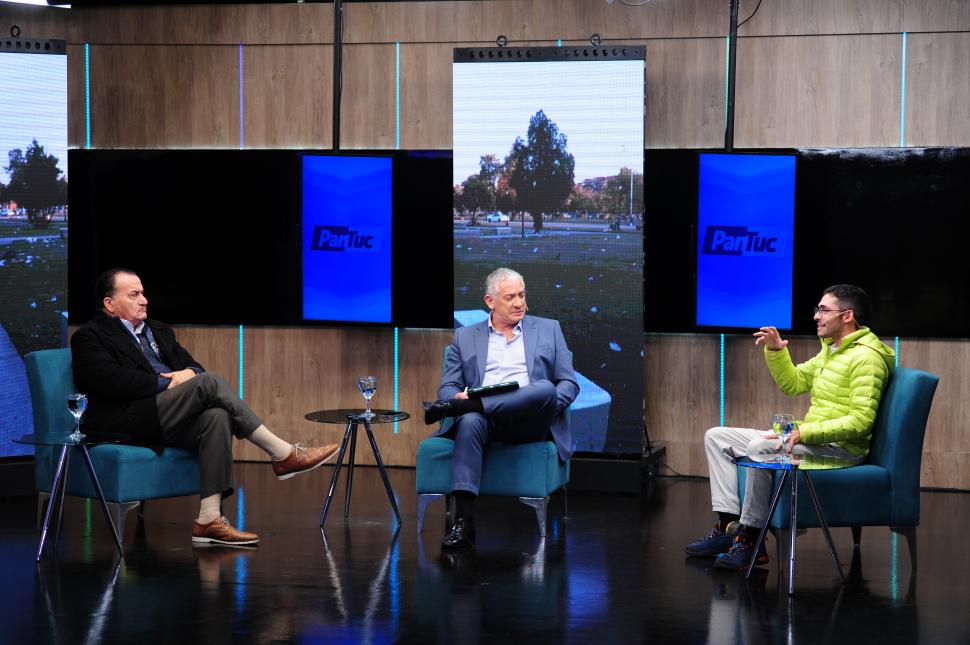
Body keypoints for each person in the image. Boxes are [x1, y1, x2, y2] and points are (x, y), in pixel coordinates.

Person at [71, 268, 339, 547]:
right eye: (134, 294)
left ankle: (209, 519)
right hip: (127, 419)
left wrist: (188, 374)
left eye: (143, 292)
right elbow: (107, 380)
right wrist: (166, 383)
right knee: (210, 383)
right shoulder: (90, 337)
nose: (144, 300)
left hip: (162, 415)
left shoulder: (158, 331)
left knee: (216, 415)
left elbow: (194, 367)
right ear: (109, 304)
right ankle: (282, 453)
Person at [685, 284, 895, 570]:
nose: (816, 316)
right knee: (717, 437)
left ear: (847, 316)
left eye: (823, 310)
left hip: (842, 449)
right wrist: (776, 350)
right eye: (817, 309)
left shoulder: (866, 358)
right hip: (813, 437)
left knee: (761, 447)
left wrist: (804, 432)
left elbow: (860, 421)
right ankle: (727, 527)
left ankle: (752, 540)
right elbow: (793, 383)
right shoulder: (831, 351)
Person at [423, 267, 579, 549]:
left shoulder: (548, 328)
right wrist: (459, 400)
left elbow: (568, 383)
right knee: (470, 422)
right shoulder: (465, 337)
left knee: (544, 388)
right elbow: (447, 389)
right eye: (510, 297)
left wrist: (546, 403)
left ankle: (475, 406)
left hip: (532, 421)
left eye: (522, 295)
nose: (520, 303)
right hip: (487, 424)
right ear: (490, 301)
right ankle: (465, 522)